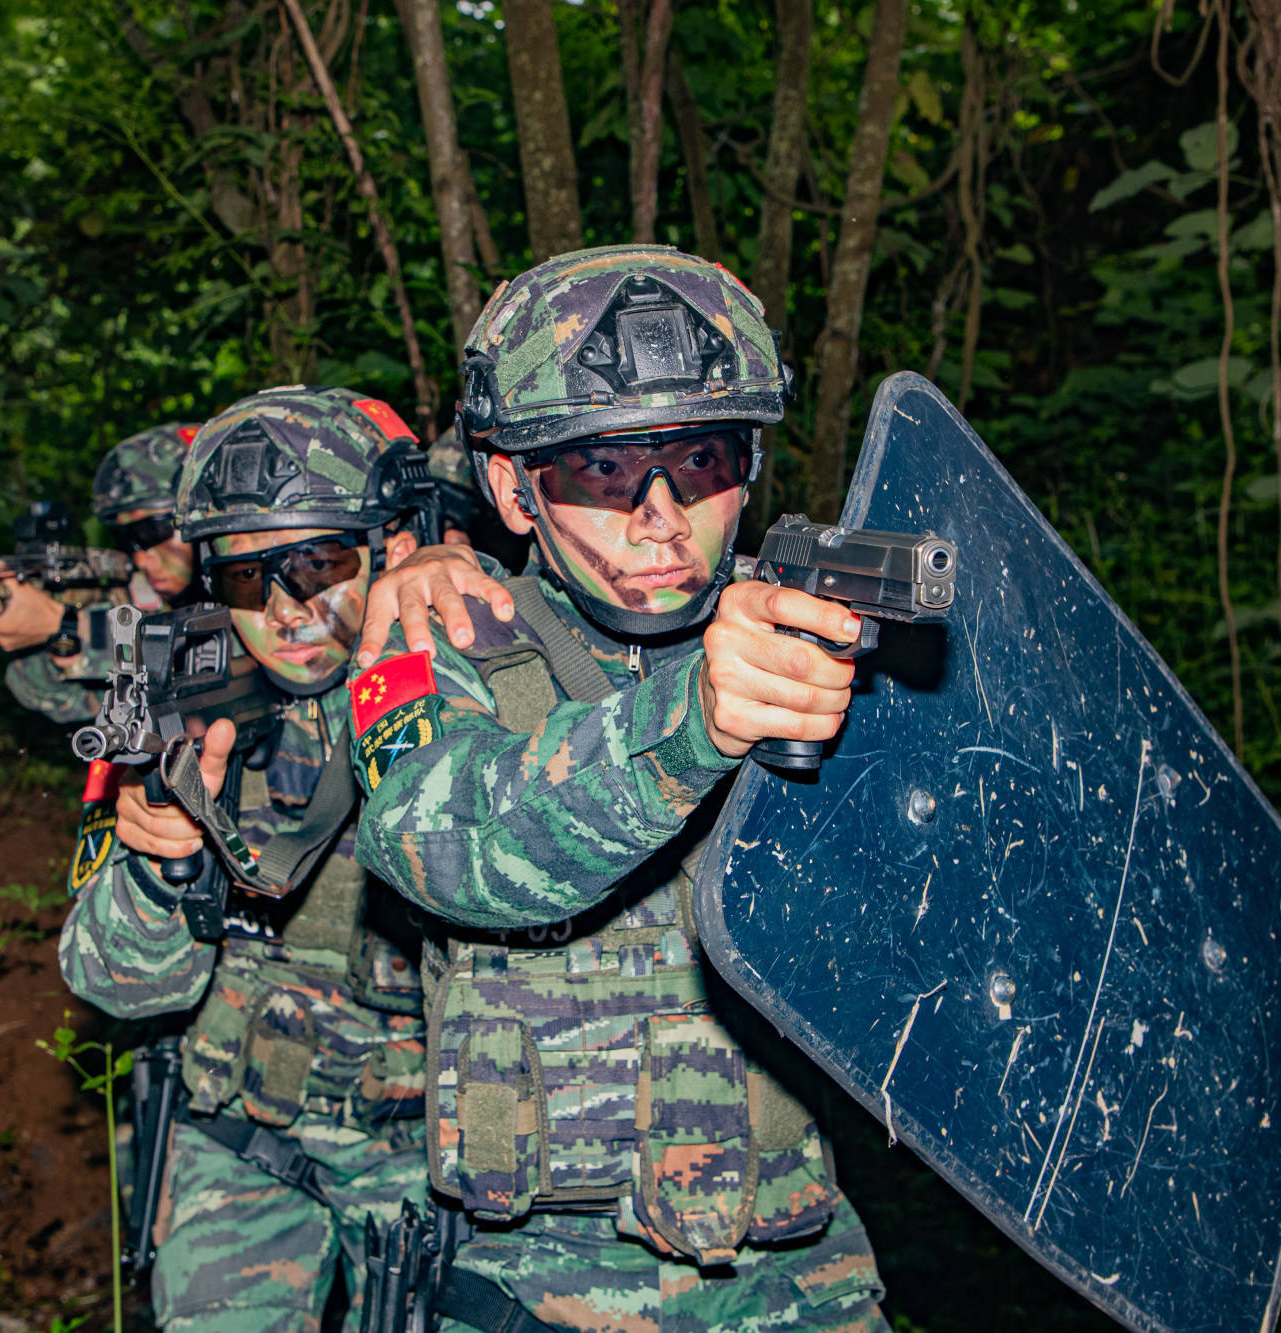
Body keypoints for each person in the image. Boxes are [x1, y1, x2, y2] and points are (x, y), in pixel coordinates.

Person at [346, 246, 889, 1333]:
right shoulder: (429, 636)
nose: (657, 514)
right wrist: (690, 722)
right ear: (509, 486)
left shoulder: (815, 639)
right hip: (538, 1283)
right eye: (599, 469)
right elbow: (431, 839)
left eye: (700, 460)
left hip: (795, 1265)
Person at [57, 386, 448, 1333]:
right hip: (241, 1137)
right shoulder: (196, 693)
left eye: (318, 563)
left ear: (392, 544)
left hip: (430, 1165)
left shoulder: (471, 678)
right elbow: (114, 984)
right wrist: (155, 862)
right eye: (246, 577)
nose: (284, 609)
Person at [0, 424, 197, 722]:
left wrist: (70, 625)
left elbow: (207, 653)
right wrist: (52, 640)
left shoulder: (254, 586)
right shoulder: (141, 595)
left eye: (152, 530)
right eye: (126, 538)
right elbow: (69, 702)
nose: (142, 556)